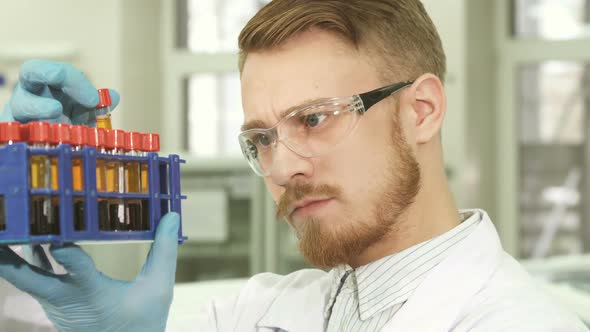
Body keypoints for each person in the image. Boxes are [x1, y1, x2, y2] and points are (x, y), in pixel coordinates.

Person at [0, 0, 587, 331]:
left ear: (422, 110)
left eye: (312, 118)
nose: (281, 168)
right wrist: (34, 191)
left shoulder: (520, 323)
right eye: (261, 137)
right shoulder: (261, 310)